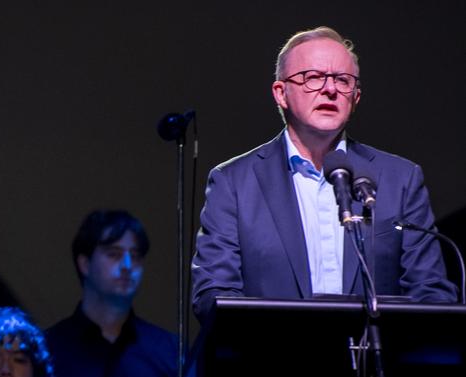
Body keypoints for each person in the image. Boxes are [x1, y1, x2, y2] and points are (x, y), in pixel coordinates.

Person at [191, 26, 458, 327]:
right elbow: (212, 297)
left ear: (355, 97)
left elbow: (431, 294)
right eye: (313, 77)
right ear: (281, 93)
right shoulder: (234, 183)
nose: (330, 89)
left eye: (343, 80)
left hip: (373, 368)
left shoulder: (401, 179)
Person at [45, 210, 178, 377]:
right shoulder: (49, 350)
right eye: (114, 254)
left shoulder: (169, 350)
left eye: (136, 255)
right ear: (84, 263)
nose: (128, 265)